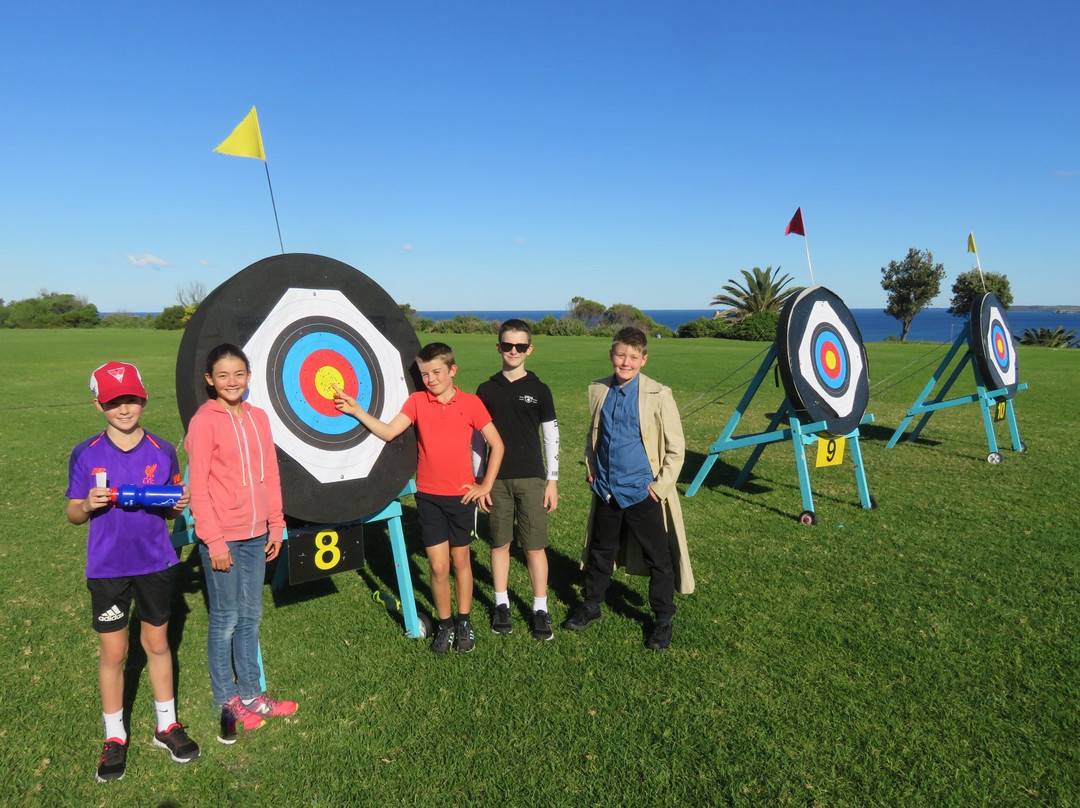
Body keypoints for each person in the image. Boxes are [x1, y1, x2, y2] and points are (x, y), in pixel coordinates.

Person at [66, 361, 201, 782]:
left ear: (142, 397)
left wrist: (176, 503)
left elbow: (172, 498)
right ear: (98, 404)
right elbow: (72, 512)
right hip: (107, 568)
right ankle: (114, 736)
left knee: (157, 644)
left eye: (130, 400)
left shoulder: (162, 450)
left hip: (155, 562)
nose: (123, 409)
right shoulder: (85, 453)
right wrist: (87, 504)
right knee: (115, 654)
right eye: (112, 402)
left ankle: (167, 725)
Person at [333, 342, 504, 655]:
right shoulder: (416, 402)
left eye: (437, 372)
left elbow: (497, 444)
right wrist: (357, 410)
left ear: (452, 371)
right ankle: (446, 623)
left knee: (460, 561)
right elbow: (388, 432)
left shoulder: (471, 403)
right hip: (428, 498)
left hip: (461, 498)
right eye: (425, 374)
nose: (431, 379)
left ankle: (464, 621)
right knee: (438, 568)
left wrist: (485, 485)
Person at [184, 344, 297, 743]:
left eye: (239, 374)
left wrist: (276, 524)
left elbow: (271, 475)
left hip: (257, 535)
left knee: (251, 617)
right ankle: (227, 700)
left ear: (249, 376)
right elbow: (197, 487)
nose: (232, 382)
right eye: (223, 375)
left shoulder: (259, 418)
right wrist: (213, 541)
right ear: (209, 380)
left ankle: (253, 694)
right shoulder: (204, 421)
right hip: (224, 538)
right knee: (226, 619)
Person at [564, 327, 694, 650]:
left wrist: (658, 488)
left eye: (633, 357)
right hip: (608, 491)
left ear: (643, 360)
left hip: (643, 493)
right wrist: (593, 471)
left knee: (658, 559)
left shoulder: (658, 394)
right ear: (612, 355)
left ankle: (662, 619)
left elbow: (676, 450)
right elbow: (593, 435)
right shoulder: (599, 390)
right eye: (621, 355)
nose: (626, 362)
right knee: (600, 552)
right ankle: (591, 606)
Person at [475, 319, 560, 641]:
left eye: (520, 346)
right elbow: (477, 440)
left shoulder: (540, 390)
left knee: (534, 546)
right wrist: (480, 479)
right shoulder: (487, 389)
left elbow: (551, 437)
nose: (514, 351)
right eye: (508, 345)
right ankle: (501, 604)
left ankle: (540, 608)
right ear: (499, 347)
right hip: (496, 481)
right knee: (500, 543)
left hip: (532, 479)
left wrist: (552, 480)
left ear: (529, 350)